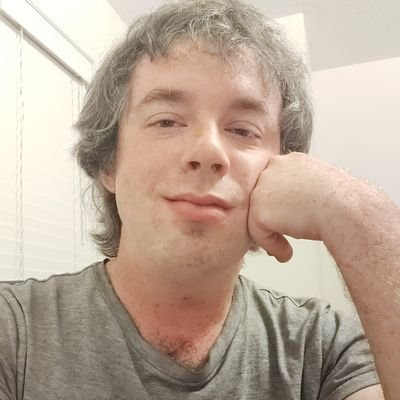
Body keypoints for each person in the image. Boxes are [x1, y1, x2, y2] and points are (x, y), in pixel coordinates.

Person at [0, 0, 398, 398]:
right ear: (109, 162)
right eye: (167, 121)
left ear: (285, 168)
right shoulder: (13, 332)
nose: (208, 150)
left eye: (242, 130)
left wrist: (359, 213)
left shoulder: (324, 349)